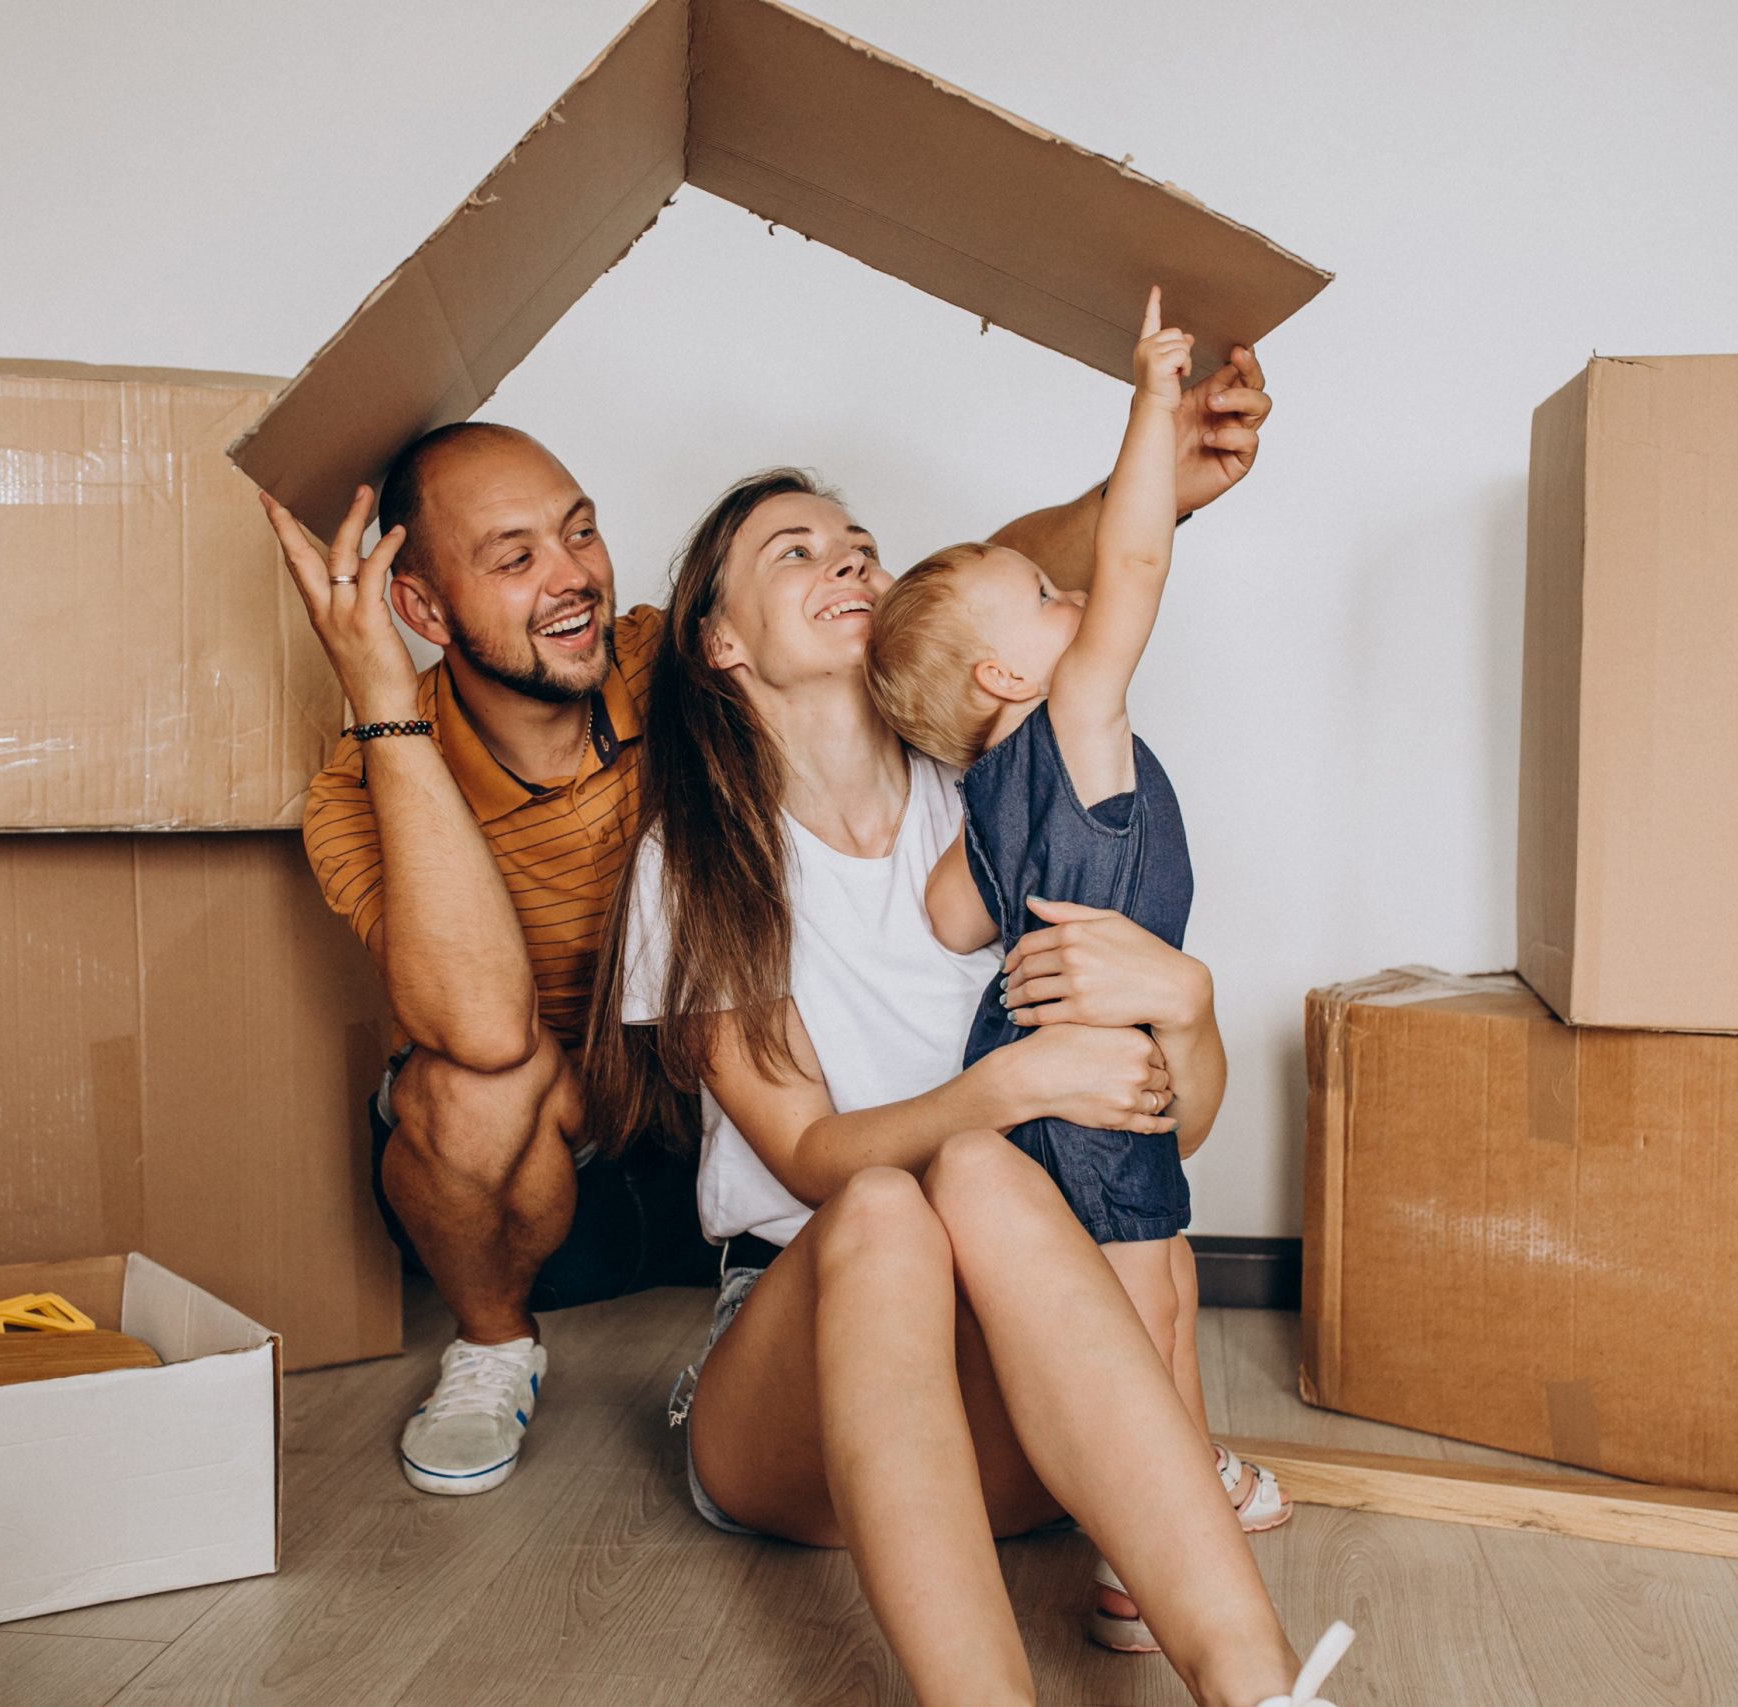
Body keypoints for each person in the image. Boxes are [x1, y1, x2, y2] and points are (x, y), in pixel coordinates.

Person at [259, 359, 1273, 1500]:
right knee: (474, 1083)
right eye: (516, 557)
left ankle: (1130, 1471)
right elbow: (484, 1025)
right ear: (423, 609)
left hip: (769, 1132)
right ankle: (496, 1344)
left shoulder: (659, 660)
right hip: (577, 1161)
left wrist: (1153, 484)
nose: (571, 577)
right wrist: (382, 701)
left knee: (1049, 1270)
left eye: (581, 533)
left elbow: (957, 603)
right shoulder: (367, 786)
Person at [581, 468, 1350, 1706]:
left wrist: (1186, 1005)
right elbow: (814, 1159)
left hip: (1015, 1382)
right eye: (795, 552)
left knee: (1000, 1185)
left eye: (861, 547)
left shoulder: (998, 798)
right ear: (719, 641)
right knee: (892, 1204)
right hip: (794, 1378)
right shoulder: (697, 864)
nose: (845, 562)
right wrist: (1012, 1082)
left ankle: (1258, 1688)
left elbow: (1171, 1137)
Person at [863, 290, 1288, 1647]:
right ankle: (1138, 1553)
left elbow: (946, 920)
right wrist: (1151, 402)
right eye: (1044, 599)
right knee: (1153, 1288)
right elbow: (1140, 568)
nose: (1077, 599)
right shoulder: (1075, 722)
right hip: (1092, 1085)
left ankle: (1180, 1485)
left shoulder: (990, 802)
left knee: (1144, 1282)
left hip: (1045, 1075)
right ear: (1007, 668)